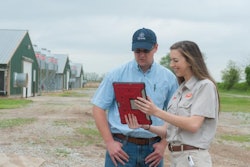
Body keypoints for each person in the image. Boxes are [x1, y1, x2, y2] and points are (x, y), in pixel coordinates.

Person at [91, 28, 178, 167]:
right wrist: (109, 143)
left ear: (155, 48)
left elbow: (175, 114)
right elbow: (98, 108)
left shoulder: (168, 78)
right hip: (122, 148)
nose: (141, 55)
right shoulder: (116, 74)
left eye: (146, 51)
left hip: (153, 150)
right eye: (137, 51)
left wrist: (163, 145)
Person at [126, 40, 220, 167]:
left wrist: (156, 112)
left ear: (190, 60)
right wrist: (145, 126)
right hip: (177, 158)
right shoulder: (180, 90)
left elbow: (193, 124)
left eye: (176, 61)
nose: (171, 64)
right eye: (171, 60)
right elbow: (168, 132)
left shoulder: (204, 86)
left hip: (193, 159)